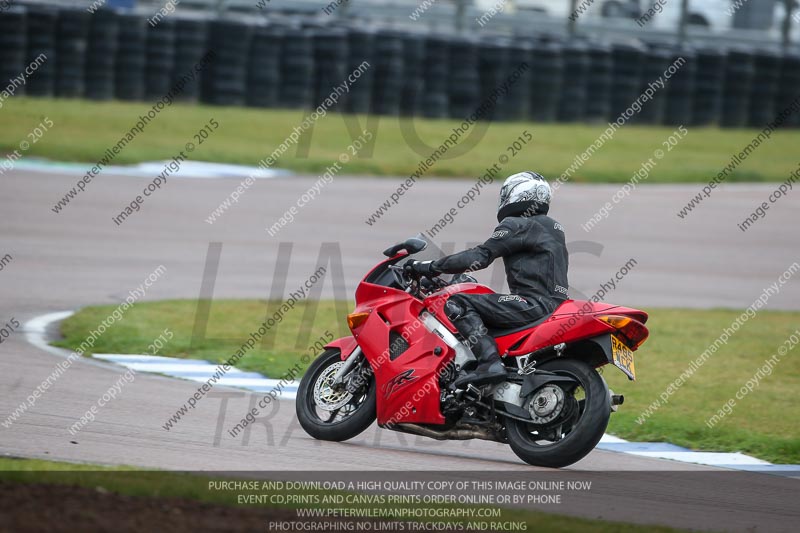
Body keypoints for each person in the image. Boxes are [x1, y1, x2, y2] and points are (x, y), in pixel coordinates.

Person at [407, 171, 569, 388]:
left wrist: (430, 267)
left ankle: (489, 363)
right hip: (555, 307)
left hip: (533, 304)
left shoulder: (518, 224)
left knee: (458, 303)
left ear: (516, 194)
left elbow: (480, 256)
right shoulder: (553, 227)